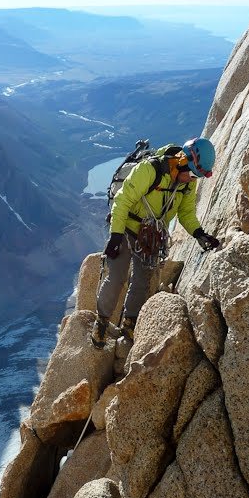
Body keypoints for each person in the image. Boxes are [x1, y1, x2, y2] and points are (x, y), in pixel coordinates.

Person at [91, 137, 219, 351]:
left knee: (142, 279)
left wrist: (200, 234)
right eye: (193, 173)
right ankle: (101, 323)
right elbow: (122, 201)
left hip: (150, 236)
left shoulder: (187, 183)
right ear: (184, 160)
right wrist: (115, 236)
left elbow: (186, 213)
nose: (192, 179)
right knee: (117, 276)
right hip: (126, 227)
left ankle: (130, 323)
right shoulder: (150, 170)